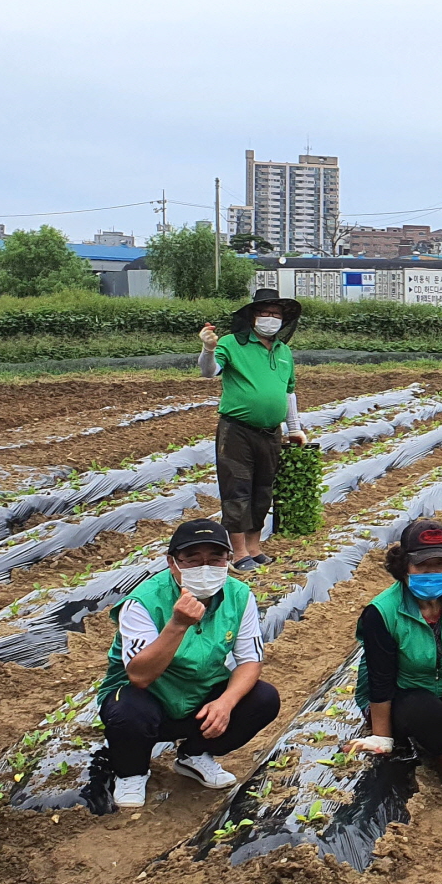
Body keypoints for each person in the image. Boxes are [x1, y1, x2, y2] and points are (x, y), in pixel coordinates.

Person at [97, 518, 281, 808]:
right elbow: (140, 676)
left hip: (199, 700)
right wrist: (177, 625)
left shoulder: (239, 595)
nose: (204, 568)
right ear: (173, 563)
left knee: (263, 697)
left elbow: (250, 661)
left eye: (215, 559)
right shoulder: (143, 602)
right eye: (193, 560)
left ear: (229, 560)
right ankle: (131, 772)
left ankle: (195, 754)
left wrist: (226, 703)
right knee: (127, 708)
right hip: (150, 699)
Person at [346, 518, 442, 804]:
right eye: (422, 566)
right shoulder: (382, 611)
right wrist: (382, 736)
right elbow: (380, 678)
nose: (431, 573)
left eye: (440, 565)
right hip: (405, 690)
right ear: (405, 567)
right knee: (425, 715)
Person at [198, 288, 310, 572]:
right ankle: (238, 554)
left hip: (271, 432)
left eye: (276, 315)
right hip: (237, 431)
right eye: (265, 313)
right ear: (252, 316)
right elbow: (209, 372)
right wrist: (207, 349)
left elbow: (288, 393)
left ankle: (255, 547)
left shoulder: (283, 351)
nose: (271, 319)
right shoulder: (231, 344)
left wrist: (294, 428)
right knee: (237, 490)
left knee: (263, 491)